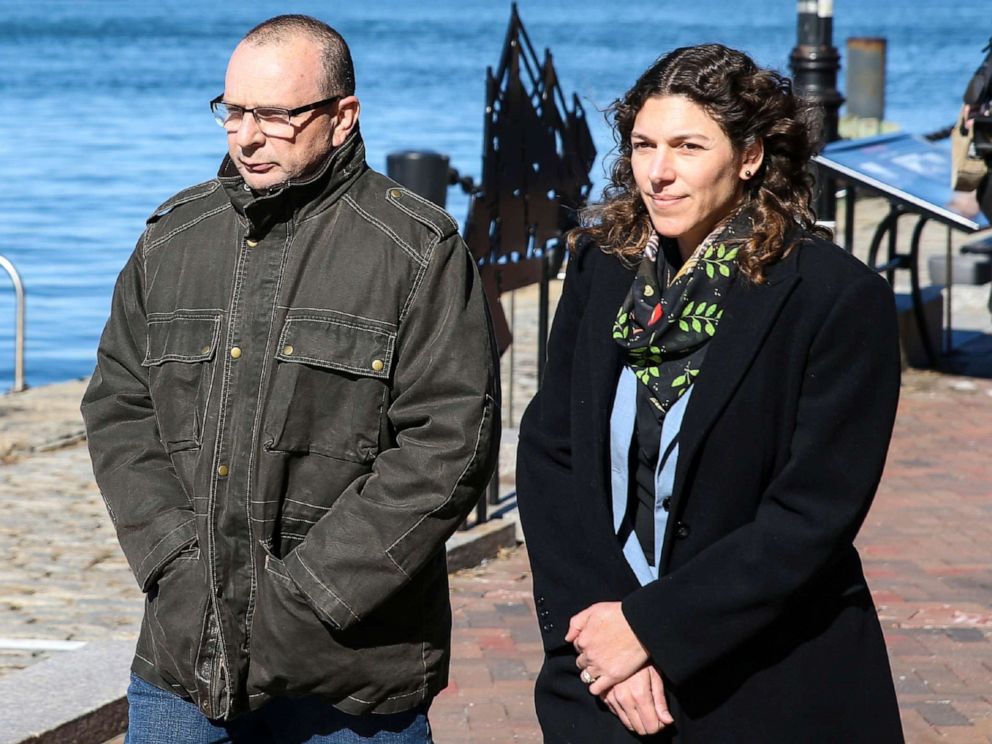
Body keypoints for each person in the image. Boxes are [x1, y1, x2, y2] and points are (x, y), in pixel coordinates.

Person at [81, 14, 499, 743]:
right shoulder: (172, 237)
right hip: (184, 662)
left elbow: (449, 446)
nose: (246, 136)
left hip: (352, 678)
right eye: (234, 111)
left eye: (274, 115)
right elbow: (119, 406)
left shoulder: (417, 252)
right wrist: (170, 561)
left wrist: (308, 598)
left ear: (343, 118)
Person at [516, 44, 904, 742]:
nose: (658, 173)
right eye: (643, 145)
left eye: (688, 146)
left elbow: (809, 516)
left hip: (768, 683)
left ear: (749, 155)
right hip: (604, 682)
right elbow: (552, 451)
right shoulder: (602, 269)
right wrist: (604, 635)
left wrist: (652, 630)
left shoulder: (837, 300)